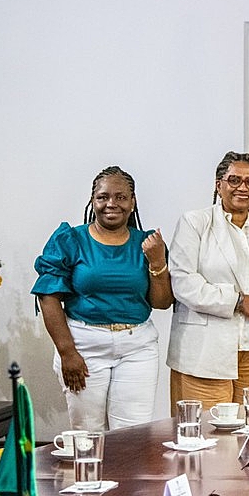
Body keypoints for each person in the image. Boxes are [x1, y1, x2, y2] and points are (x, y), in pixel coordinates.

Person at [32, 166, 173, 430]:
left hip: (137, 348)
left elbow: (162, 302)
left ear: (133, 202)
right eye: (103, 197)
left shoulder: (147, 243)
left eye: (121, 197)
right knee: (88, 434)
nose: (111, 203)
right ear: (92, 200)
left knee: (133, 434)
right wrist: (67, 352)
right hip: (83, 346)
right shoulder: (71, 239)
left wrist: (157, 262)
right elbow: (48, 296)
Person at [167, 151, 249, 411]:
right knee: (206, 431)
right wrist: (237, 301)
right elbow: (183, 283)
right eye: (234, 180)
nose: (243, 187)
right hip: (205, 352)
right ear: (219, 185)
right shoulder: (195, 223)